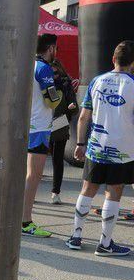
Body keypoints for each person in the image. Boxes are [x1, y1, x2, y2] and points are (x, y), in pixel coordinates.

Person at [67, 40, 134, 257]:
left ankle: (76, 237)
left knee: (87, 189)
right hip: (122, 149)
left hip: (96, 146)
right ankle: (104, 244)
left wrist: (79, 143)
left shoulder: (97, 81)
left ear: (113, 59)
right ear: (133, 63)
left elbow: (84, 116)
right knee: (113, 193)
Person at [22, 33, 62, 238]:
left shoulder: (27, 64)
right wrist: (61, 89)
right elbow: (52, 101)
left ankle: (19, 217)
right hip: (39, 127)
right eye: (56, 48)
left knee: (25, 175)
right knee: (34, 175)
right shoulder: (44, 68)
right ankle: (25, 221)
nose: (56, 52)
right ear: (51, 48)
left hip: (24, 125)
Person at [49, 58, 78, 205]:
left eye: (55, 72)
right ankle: (30, 191)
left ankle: (55, 192)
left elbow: (75, 109)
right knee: (34, 161)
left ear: (60, 71)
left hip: (60, 125)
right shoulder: (43, 84)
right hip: (42, 126)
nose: (53, 76)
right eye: (50, 72)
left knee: (57, 160)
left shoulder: (66, 85)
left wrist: (70, 108)